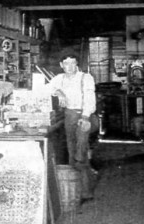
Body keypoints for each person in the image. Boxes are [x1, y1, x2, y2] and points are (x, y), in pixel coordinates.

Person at [47, 50, 96, 205]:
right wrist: (58, 91)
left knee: (80, 153)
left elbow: (90, 98)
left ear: (77, 64)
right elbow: (45, 89)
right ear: (61, 65)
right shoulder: (58, 79)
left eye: (73, 63)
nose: (70, 66)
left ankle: (86, 191)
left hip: (84, 115)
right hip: (69, 115)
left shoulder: (85, 78)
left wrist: (85, 117)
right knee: (71, 150)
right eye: (66, 63)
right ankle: (75, 190)